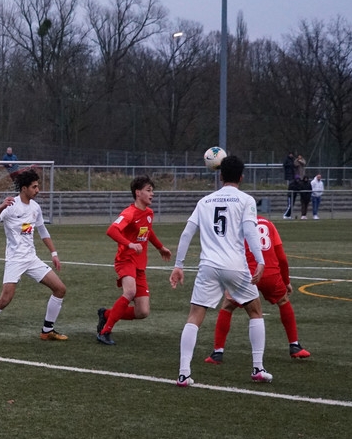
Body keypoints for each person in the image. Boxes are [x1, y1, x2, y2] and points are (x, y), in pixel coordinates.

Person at [169, 155, 272, 387]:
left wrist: (179, 265)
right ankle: (258, 368)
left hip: (208, 266)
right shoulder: (246, 200)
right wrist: (260, 260)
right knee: (255, 311)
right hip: (235, 266)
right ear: (242, 177)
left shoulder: (204, 201)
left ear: (220, 176)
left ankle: (183, 374)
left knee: (194, 316)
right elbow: (250, 232)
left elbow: (186, 233)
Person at [0, 169, 67, 344]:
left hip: (31, 259)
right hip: (15, 260)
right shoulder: (11, 205)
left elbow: (42, 231)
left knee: (60, 289)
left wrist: (54, 253)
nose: (37, 190)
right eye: (34, 187)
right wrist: (1, 206)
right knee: (5, 299)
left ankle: (47, 330)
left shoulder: (35, 207)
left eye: (37, 186)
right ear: (24, 188)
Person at [205, 213, 310, 364]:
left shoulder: (236, 225)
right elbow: (282, 258)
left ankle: (217, 353)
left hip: (247, 274)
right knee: (283, 301)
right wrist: (286, 281)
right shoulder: (268, 224)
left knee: (227, 307)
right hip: (270, 273)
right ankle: (294, 346)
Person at [95, 175, 172, 345]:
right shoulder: (129, 213)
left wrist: (160, 247)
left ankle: (106, 315)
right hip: (125, 260)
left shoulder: (149, 213)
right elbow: (112, 230)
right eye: (148, 190)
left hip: (139, 264)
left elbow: (148, 231)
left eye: (152, 191)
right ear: (138, 193)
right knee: (129, 292)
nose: (152, 194)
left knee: (142, 311)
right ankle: (105, 332)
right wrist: (129, 244)